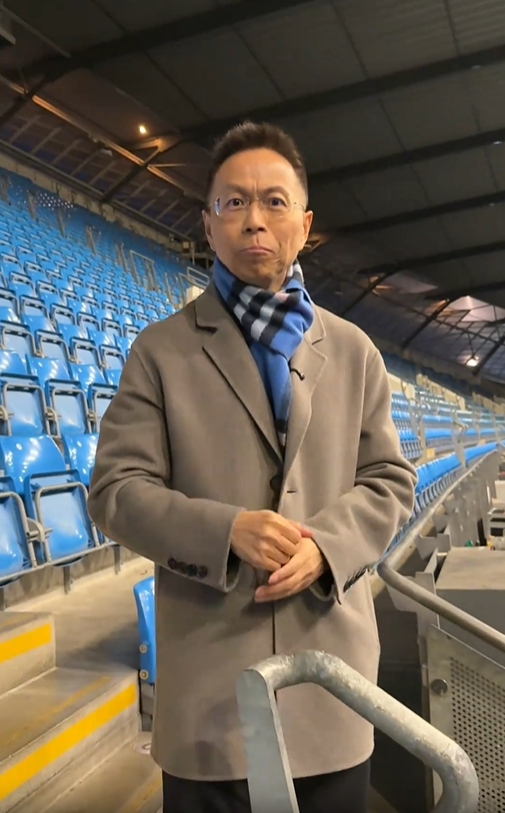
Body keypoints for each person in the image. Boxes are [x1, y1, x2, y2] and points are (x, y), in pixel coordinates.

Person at [88, 121, 416, 813]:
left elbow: (389, 481)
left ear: (304, 224)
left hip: (333, 690)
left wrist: (327, 546)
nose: (253, 219)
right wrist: (225, 531)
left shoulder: (353, 351)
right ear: (208, 225)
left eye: (273, 201)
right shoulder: (160, 352)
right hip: (210, 699)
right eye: (232, 202)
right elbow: (116, 491)